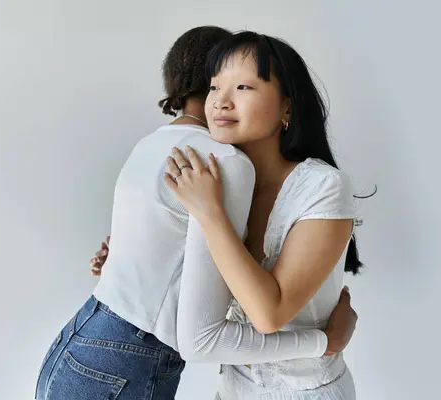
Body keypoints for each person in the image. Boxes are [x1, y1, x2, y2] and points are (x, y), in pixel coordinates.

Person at [36, 26, 357, 400]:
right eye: (215, 86)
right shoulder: (225, 180)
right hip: (233, 389)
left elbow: (268, 315)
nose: (220, 101)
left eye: (243, 87)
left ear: (287, 106)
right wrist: (140, 254)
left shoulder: (322, 186)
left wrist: (209, 213)